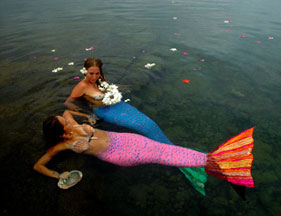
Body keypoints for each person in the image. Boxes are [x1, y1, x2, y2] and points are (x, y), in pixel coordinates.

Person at [64, 58, 208, 195]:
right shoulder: (81, 86)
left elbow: (107, 89)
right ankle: (177, 157)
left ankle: (173, 151)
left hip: (118, 105)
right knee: (142, 126)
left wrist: (118, 90)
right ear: (85, 72)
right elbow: (68, 103)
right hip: (105, 111)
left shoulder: (100, 80)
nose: (94, 76)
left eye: (97, 73)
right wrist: (88, 114)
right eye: (91, 73)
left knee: (149, 123)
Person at [34, 110, 255, 190]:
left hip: (124, 139)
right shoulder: (64, 144)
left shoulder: (71, 124)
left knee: (164, 148)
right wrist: (58, 175)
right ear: (61, 133)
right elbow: (38, 165)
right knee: (163, 155)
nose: (67, 120)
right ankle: (216, 163)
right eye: (63, 123)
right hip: (120, 154)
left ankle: (213, 161)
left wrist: (86, 119)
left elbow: (66, 110)